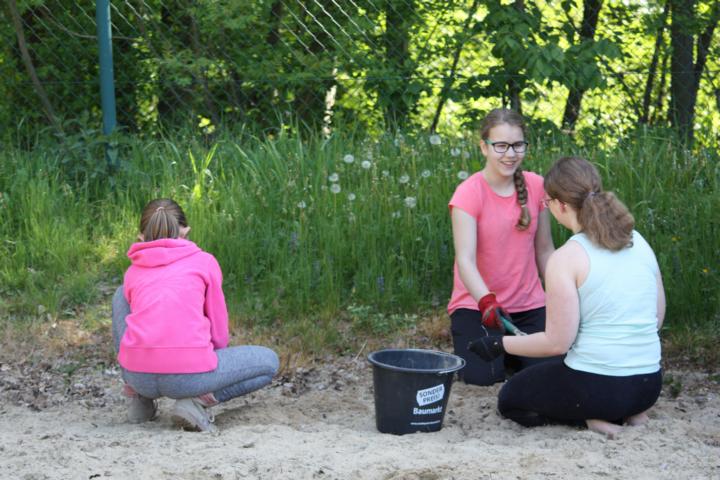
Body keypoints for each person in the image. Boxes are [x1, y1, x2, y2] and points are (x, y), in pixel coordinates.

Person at [469, 156, 665, 438]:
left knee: (511, 398)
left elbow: (557, 343)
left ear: (560, 205)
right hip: (648, 386)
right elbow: (656, 318)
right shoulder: (637, 240)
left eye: (547, 202)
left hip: (601, 389)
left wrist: (498, 344)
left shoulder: (566, 258)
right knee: (563, 374)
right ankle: (628, 413)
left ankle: (591, 419)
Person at [111, 198, 279, 433]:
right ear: (185, 231)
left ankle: (140, 399)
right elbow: (219, 333)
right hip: (188, 377)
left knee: (121, 295)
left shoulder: (132, 272)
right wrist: (206, 366)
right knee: (269, 362)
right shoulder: (204, 262)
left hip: (139, 377)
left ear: (141, 236)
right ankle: (197, 401)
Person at [448, 108, 556, 386]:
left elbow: (545, 250)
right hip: (479, 307)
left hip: (529, 305)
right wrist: (487, 301)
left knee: (549, 375)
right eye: (501, 146)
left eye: (518, 145)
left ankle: (512, 353)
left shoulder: (537, 186)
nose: (510, 154)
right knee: (481, 378)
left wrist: (562, 293)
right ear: (484, 147)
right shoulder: (468, 193)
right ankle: (506, 354)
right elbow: (465, 260)